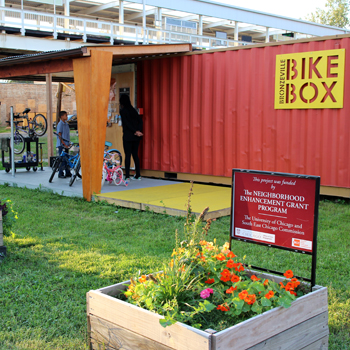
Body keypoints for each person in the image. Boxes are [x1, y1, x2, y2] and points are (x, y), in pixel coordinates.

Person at [119, 94, 143, 181]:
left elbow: (126, 123)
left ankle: (127, 176)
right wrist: (138, 131)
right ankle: (138, 175)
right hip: (136, 137)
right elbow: (140, 121)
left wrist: (134, 131)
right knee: (135, 155)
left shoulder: (123, 111)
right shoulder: (133, 110)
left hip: (128, 136)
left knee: (128, 155)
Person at [56, 110, 72, 178]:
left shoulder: (66, 124)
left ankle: (68, 172)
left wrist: (68, 143)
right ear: (62, 116)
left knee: (67, 159)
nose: (67, 116)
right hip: (62, 145)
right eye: (65, 115)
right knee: (62, 159)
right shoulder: (60, 124)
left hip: (66, 144)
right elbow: (60, 135)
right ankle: (60, 173)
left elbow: (67, 135)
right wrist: (63, 143)